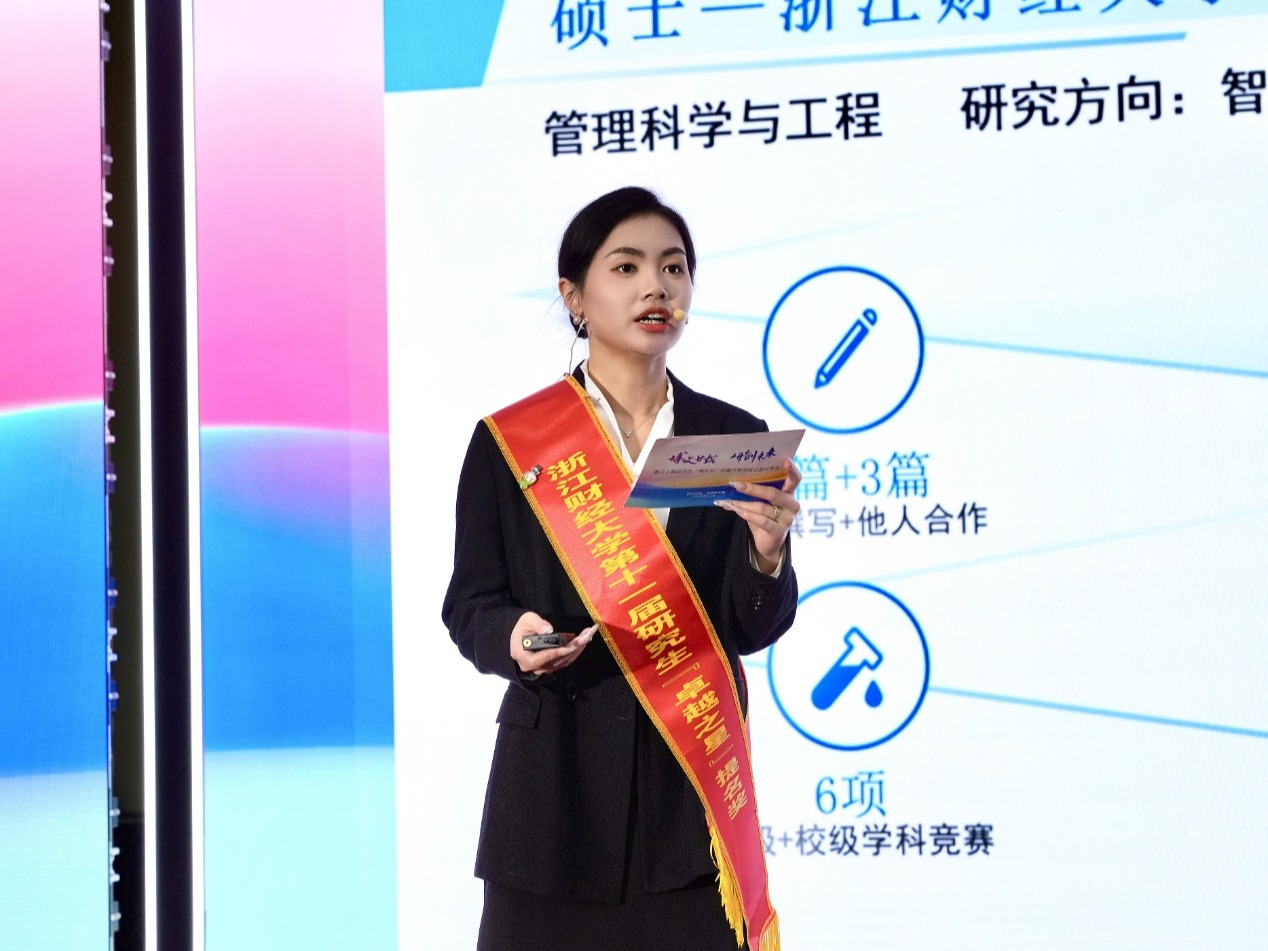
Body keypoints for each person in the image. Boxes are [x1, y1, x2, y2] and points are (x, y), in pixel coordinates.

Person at [443, 186, 801, 951]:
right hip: (551, 801)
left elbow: (750, 625)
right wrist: (515, 636)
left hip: (686, 809)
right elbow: (469, 605)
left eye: (674, 268)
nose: (656, 288)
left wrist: (767, 555)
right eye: (627, 266)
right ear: (574, 295)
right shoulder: (512, 442)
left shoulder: (731, 437)